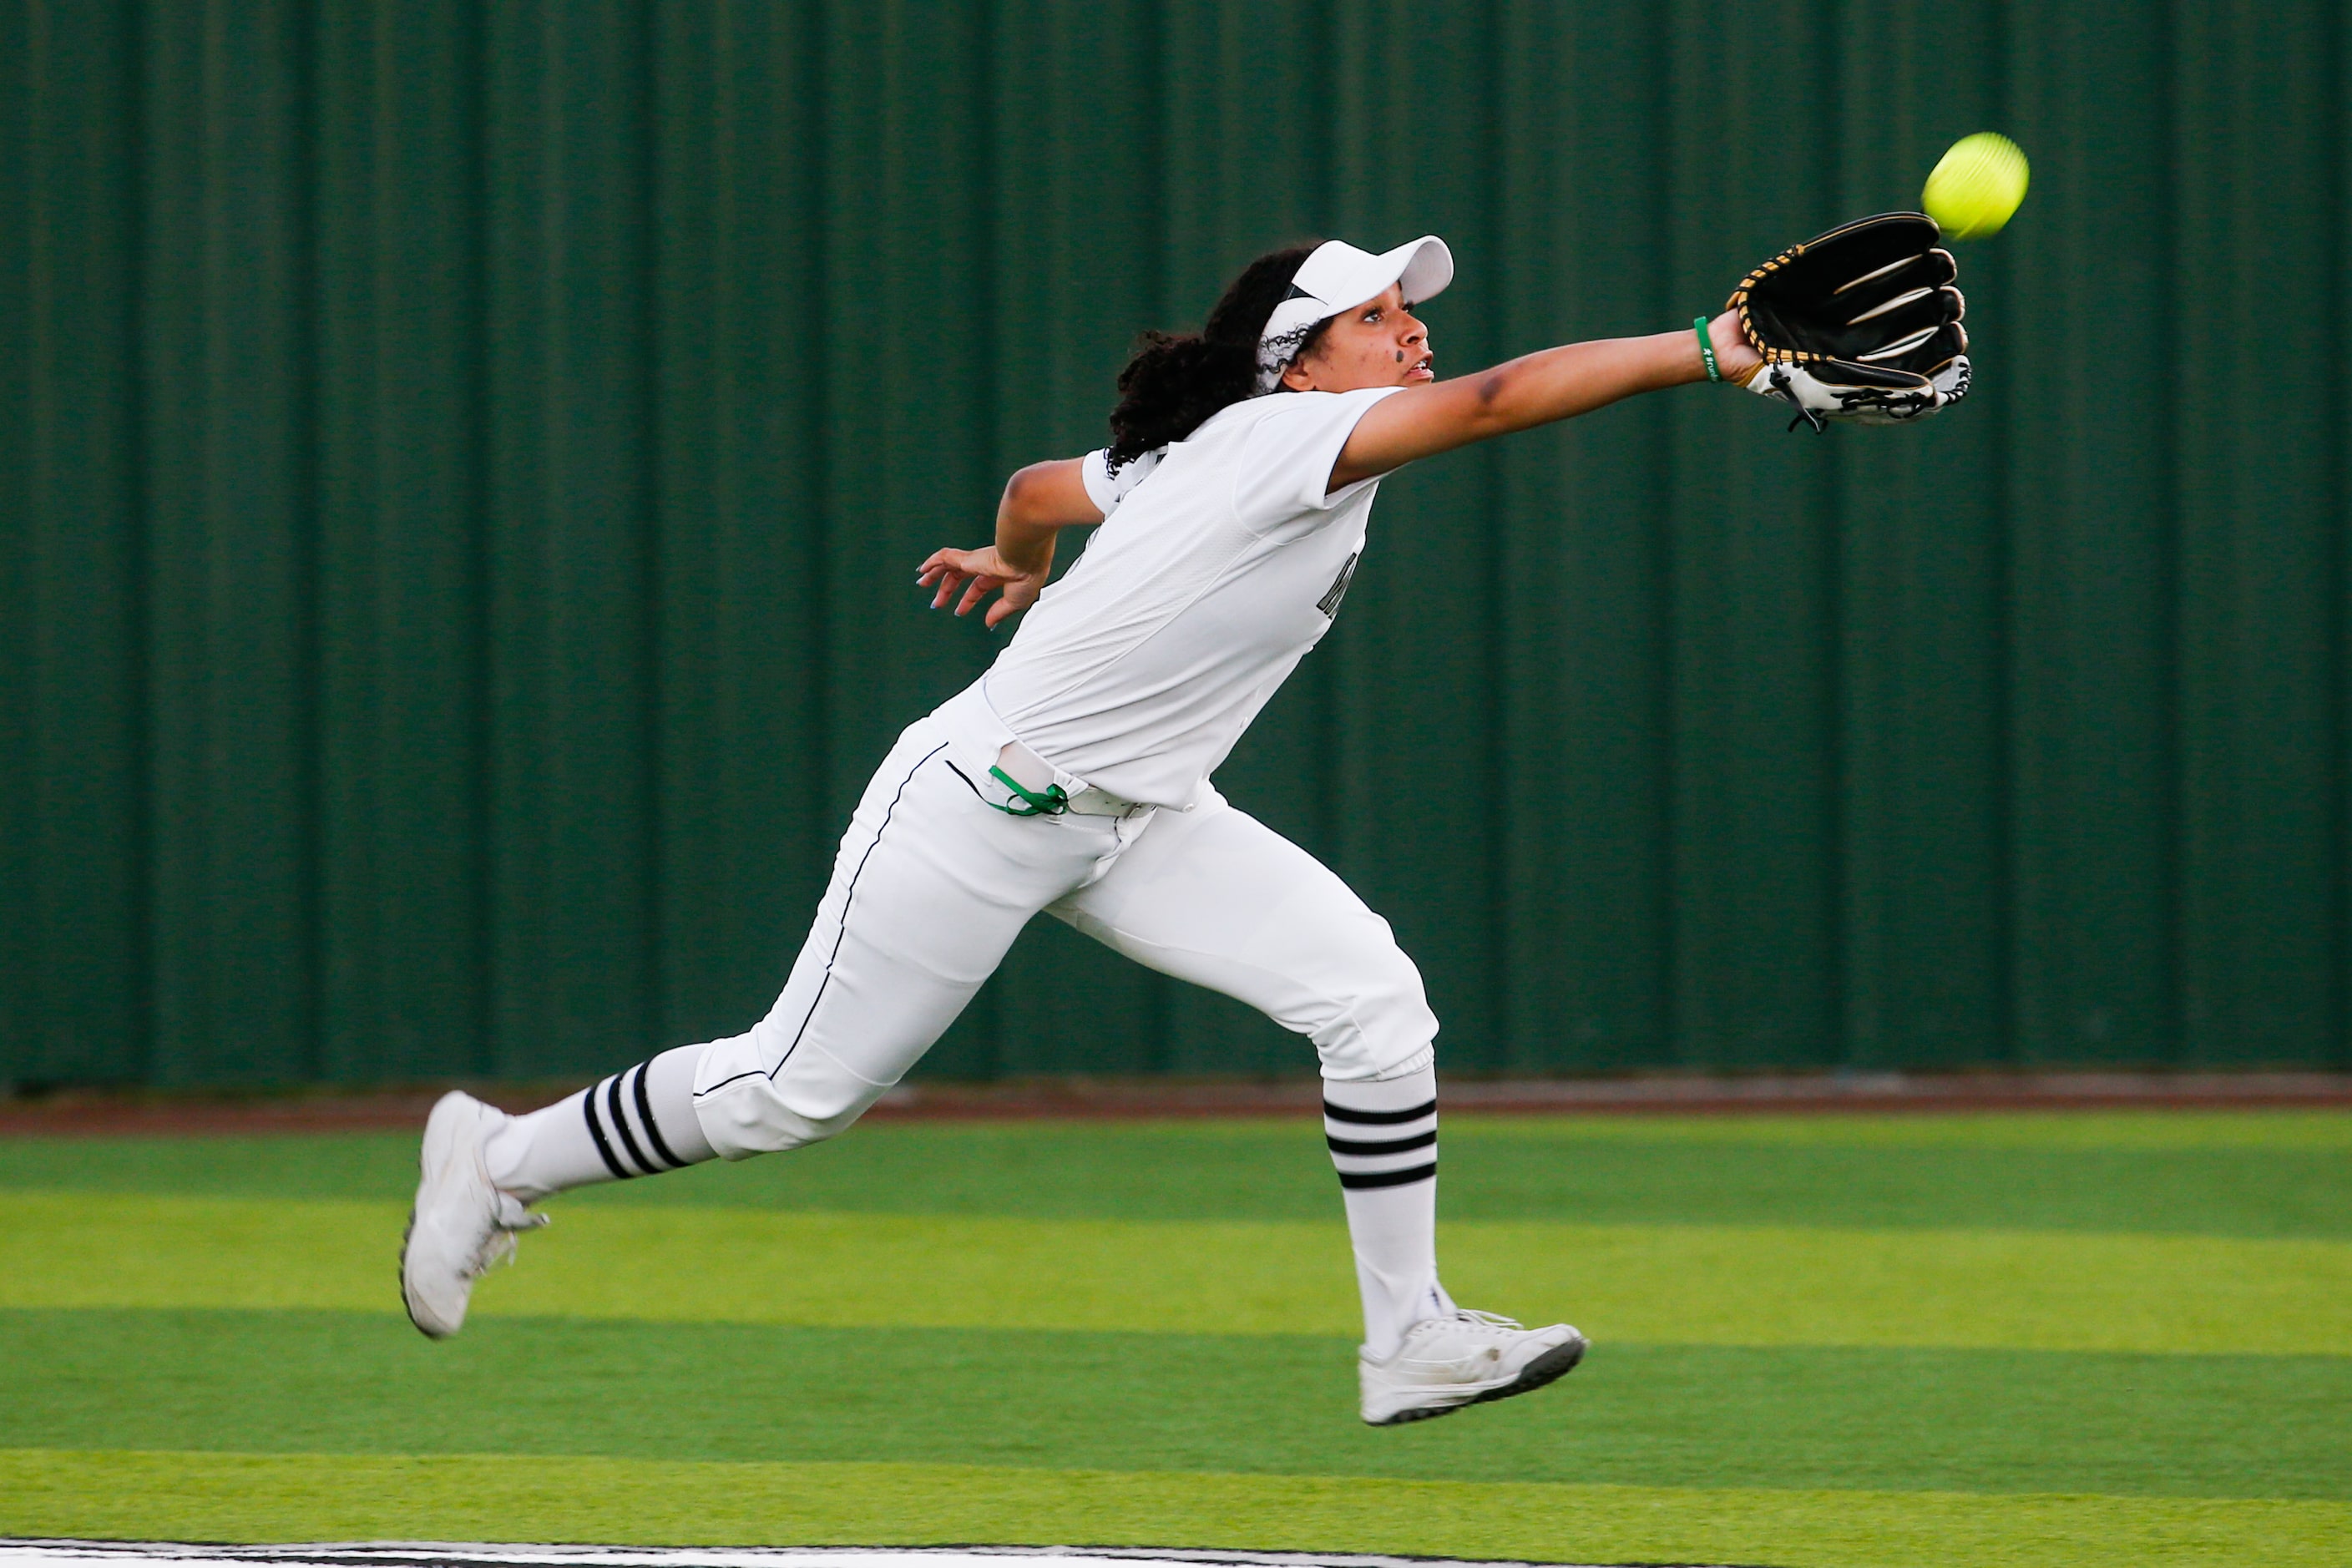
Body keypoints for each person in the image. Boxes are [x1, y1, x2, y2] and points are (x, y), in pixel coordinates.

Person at [402, 234, 1766, 1426]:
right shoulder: (1277, 440)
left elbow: (1036, 483)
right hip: (979, 805)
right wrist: (1708, 348)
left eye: (1411, 308)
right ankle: (498, 1153)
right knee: (790, 1094)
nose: (1412, 328)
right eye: (1375, 316)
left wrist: (1018, 557)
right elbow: (1500, 398)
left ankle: (1408, 1338)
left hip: (1146, 819)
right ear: (1297, 363)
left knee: (1372, 1001)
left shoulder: (1204, 451)